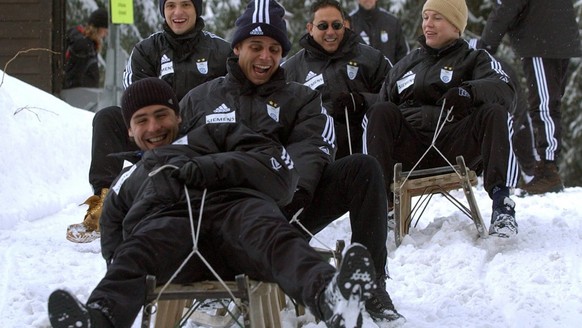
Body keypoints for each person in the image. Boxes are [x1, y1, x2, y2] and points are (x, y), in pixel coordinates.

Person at [48, 77, 378, 328]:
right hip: (170, 238)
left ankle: (332, 299)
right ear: (130, 132)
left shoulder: (213, 134)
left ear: (178, 116)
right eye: (141, 121)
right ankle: (99, 319)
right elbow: (113, 235)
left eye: (161, 115)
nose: (154, 127)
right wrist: (126, 261)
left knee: (274, 237)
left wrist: (215, 166)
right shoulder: (131, 179)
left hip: (235, 219)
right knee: (137, 251)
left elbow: (273, 166)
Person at [179, 0, 404, 324]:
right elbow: (180, 153)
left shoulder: (302, 97)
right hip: (223, 220)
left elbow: (314, 146)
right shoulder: (200, 99)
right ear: (237, 46)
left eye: (274, 48)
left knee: (362, 169)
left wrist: (292, 191)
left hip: (289, 208)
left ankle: (370, 286)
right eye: (256, 46)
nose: (265, 57)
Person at [66, 0, 233, 243]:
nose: (177, 13)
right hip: (157, 135)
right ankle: (103, 203)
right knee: (107, 118)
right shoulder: (147, 50)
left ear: (197, 8)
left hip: (203, 140)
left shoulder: (220, 51)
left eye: (186, 4)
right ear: (162, 10)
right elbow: (135, 102)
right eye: (170, 5)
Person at [363, 0, 520, 238]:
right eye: (426, 17)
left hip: (454, 144)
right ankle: (384, 210)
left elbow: (505, 90)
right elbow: (378, 111)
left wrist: (469, 91)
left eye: (437, 18)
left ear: (456, 25)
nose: (428, 24)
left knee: (495, 113)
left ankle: (502, 206)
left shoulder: (475, 58)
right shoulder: (405, 65)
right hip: (410, 148)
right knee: (380, 112)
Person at [474, 0, 582, 195]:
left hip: (541, 40)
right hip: (558, 37)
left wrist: (485, 47)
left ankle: (548, 170)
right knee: (550, 103)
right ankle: (547, 166)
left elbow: (506, 7)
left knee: (543, 104)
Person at [282, 0, 391, 159]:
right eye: (323, 26)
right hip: (319, 157)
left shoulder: (371, 58)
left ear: (344, 26)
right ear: (310, 28)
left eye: (336, 25)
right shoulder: (292, 70)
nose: (331, 32)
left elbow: (394, 97)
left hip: (368, 152)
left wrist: (362, 101)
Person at [63, 8, 109, 89]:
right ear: (98, 28)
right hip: (78, 97)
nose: (106, 34)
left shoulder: (87, 43)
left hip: (83, 96)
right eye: (105, 30)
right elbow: (75, 76)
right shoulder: (84, 45)